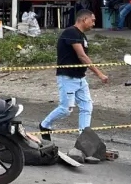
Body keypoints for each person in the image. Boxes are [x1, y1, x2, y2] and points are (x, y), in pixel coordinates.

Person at [39, 9, 109, 140]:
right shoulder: (71, 32)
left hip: (80, 78)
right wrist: (100, 74)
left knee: (87, 107)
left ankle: (84, 137)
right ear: (84, 20)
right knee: (66, 109)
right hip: (67, 77)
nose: (94, 23)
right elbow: (82, 56)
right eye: (92, 20)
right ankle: (45, 125)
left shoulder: (81, 35)